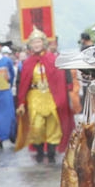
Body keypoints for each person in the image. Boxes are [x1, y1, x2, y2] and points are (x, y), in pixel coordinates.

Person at [15, 30, 74, 163]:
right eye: (34, 42)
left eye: (39, 41)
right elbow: (22, 83)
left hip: (50, 95)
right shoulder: (27, 63)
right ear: (30, 45)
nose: (36, 44)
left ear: (43, 43)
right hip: (34, 96)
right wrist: (21, 102)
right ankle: (40, 151)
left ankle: (52, 153)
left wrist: (63, 97)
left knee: (53, 124)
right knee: (37, 125)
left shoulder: (52, 59)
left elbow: (61, 79)